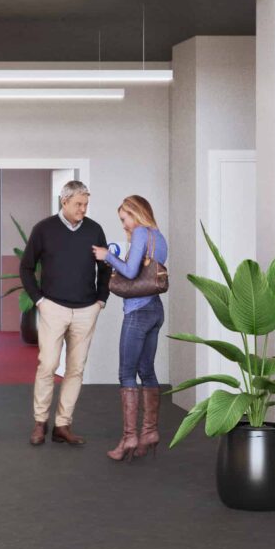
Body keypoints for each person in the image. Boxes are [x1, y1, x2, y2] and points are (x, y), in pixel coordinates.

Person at [20, 180, 110, 447]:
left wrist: (100, 301)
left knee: (75, 370)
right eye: (78, 204)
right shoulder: (44, 229)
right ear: (65, 202)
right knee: (47, 365)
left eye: (86, 204)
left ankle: (63, 425)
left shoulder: (94, 230)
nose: (83, 209)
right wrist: (39, 301)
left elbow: (105, 268)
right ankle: (40, 422)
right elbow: (26, 268)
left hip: (86, 310)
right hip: (53, 308)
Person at [95, 195, 168, 462]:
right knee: (146, 370)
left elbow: (129, 271)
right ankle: (150, 432)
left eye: (124, 218)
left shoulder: (140, 233)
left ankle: (129, 438)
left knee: (126, 373)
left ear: (135, 213)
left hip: (138, 311)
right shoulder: (159, 237)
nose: (124, 225)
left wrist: (106, 257)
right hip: (156, 309)